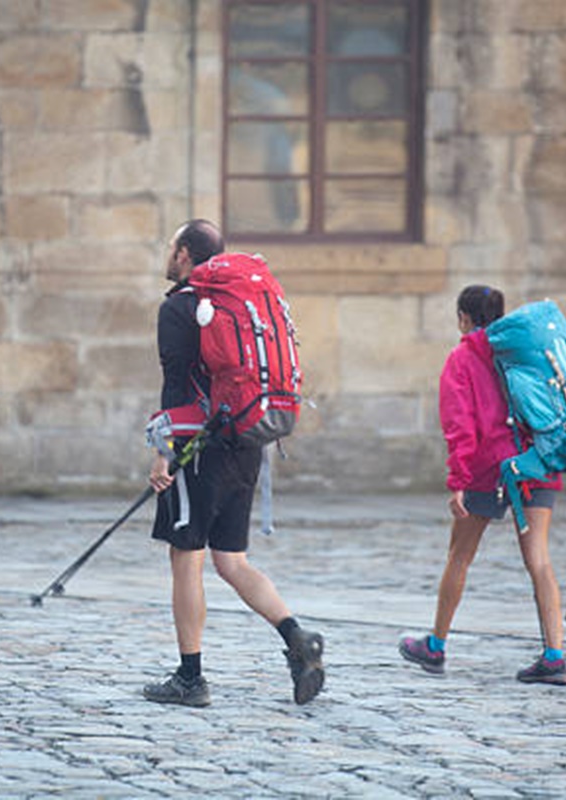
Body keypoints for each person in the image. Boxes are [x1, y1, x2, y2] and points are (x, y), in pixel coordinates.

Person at [142, 219, 325, 707]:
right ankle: (297, 639)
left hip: (197, 448)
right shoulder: (242, 303)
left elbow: (177, 385)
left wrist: (163, 451)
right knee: (232, 561)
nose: (167, 255)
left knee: (186, 559)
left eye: (170, 246)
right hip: (247, 440)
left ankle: (190, 677)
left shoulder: (181, 307)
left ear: (184, 254)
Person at [399, 285, 566, 685]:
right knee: (539, 560)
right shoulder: (525, 349)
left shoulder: (462, 358)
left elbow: (460, 426)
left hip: (488, 469)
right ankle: (554, 655)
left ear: (463, 318)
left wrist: (457, 480)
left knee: (459, 555)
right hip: (536, 462)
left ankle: (436, 646)